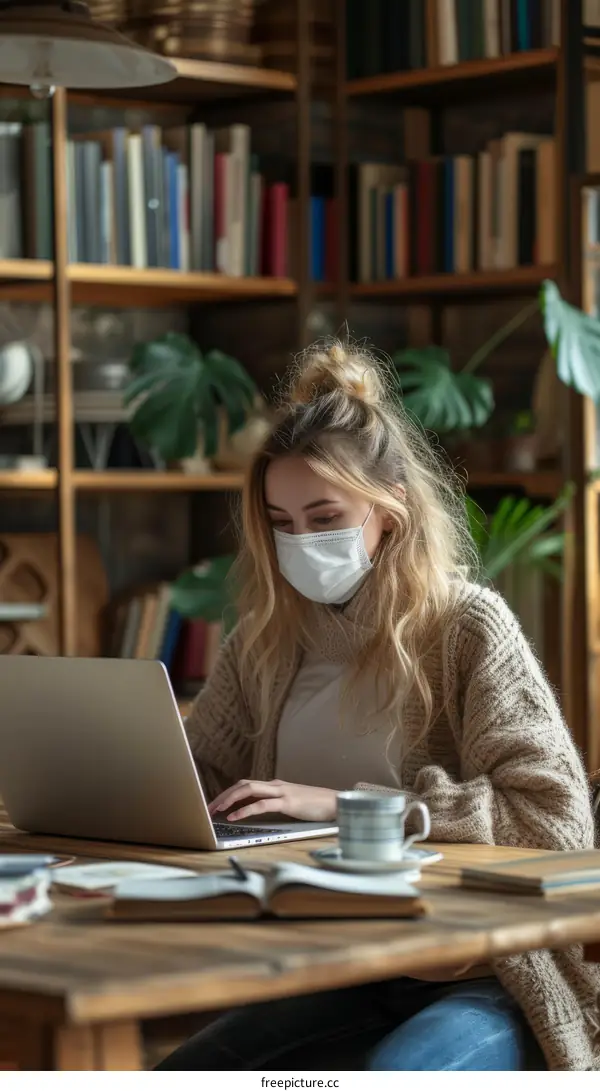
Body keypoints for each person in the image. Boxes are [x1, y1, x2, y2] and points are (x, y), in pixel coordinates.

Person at [158, 341, 599, 1072]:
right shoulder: (262, 646)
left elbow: (554, 818)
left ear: (390, 507)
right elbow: (197, 782)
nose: (302, 541)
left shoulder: (467, 628)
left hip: (491, 973)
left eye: (325, 515)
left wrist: (339, 805)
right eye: (282, 520)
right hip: (347, 968)